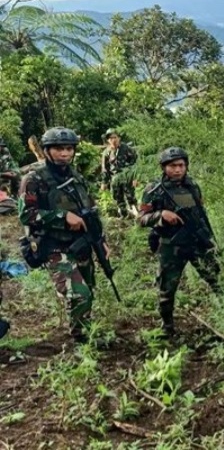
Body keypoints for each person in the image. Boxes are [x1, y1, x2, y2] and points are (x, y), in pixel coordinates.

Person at [18, 127, 110, 343]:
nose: (65, 154)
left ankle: (83, 331)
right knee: (79, 294)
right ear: (47, 151)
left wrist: (101, 240)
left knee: (89, 290)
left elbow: (91, 210)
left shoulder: (76, 176)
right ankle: (82, 340)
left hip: (81, 243)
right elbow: (26, 215)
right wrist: (62, 216)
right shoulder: (33, 179)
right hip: (53, 246)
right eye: (59, 149)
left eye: (69, 149)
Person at [138, 147, 220, 337]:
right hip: (171, 245)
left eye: (181, 165)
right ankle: (167, 328)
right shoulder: (154, 189)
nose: (178, 170)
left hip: (197, 242)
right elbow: (141, 219)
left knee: (217, 280)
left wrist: (210, 239)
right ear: (164, 167)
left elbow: (201, 215)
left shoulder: (192, 186)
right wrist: (161, 215)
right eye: (173, 166)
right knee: (167, 289)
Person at [101, 129, 138, 218]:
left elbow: (136, 163)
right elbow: (105, 168)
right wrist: (104, 182)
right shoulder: (106, 152)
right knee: (118, 198)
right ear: (108, 140)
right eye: (110, 138)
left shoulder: (127, 149)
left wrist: (135, 178)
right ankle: (124, 216)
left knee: (131, 198)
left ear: (119, 138)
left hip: (127, 178)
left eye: (115, 137)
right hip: (115, 179)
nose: (113, 140)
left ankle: (137, 216)